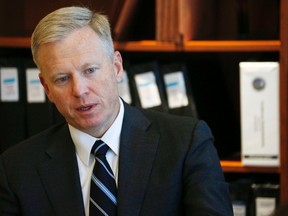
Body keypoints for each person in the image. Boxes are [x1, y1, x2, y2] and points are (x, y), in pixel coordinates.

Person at [0, 6, 233, 216]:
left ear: (117, 67)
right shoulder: (16, 169)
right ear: (46, 88)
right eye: (62, 79)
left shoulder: (186, 142)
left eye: (90, 70)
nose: (79, 90)